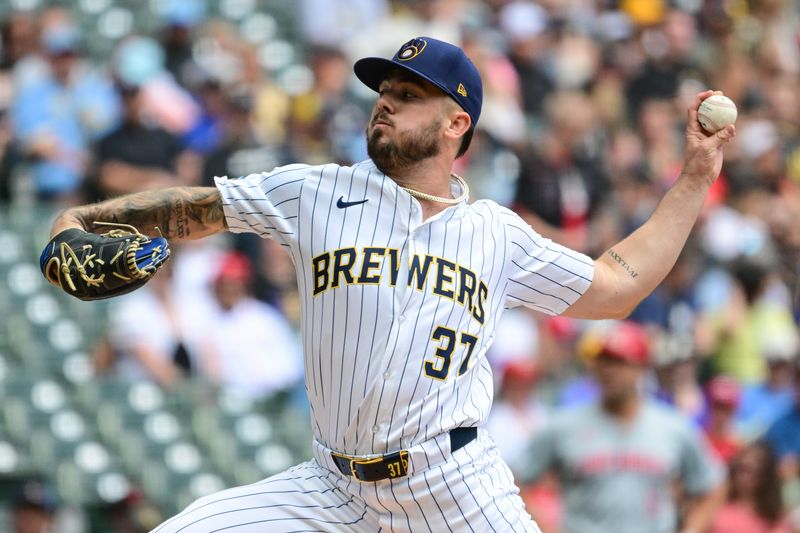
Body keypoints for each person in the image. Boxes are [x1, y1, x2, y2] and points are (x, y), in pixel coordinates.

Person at [46, 36, 735, 532]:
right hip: (329, 487)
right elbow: (195, 206)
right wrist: (81, 216)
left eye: (408, 96)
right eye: (384, 93)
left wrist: (697, 177)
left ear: (456, 123)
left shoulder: (497, 234)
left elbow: (618, 284)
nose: (385, 105)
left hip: (454, 486)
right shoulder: (314, 192)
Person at [515, 321, 726, 533]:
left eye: (618, 361)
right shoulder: (564, 425)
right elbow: (516, 482)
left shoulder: (672, 427)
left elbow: (713, 485)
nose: (608, 370)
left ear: (641, 367)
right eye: (602, 361)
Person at [710, 442, 791, 533]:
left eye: (755, 472)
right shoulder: (716, 502)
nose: (745, 477)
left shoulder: (775, 516)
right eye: (742, 469)